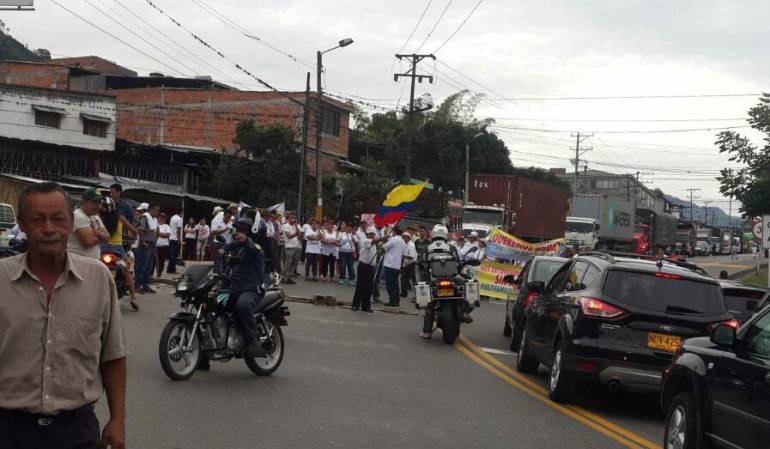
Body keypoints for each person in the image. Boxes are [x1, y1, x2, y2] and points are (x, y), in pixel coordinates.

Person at [0, 182, 127, 449]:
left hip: (76, 430)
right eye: (37, 220)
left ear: (71, 223)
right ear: (22, 224)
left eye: (58, 219)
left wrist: (117, 419)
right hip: (7, 428)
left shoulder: (99, 278)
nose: (49, 229)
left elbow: (112, 355)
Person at [222, 217, 265, 357]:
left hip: (251, 288)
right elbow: (225, 248)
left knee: (243, 305)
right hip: (235, 288)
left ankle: (253, 341)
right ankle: (206, 351)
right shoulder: (236, 246)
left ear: (249, 233)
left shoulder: (255, 248)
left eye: (241, 231)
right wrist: (220, 248)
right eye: (237, 231)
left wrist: (246, 240)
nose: (238, 234)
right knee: (212, 306)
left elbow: (251, 247)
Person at [420, 224, 461, 339]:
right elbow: (458, 262)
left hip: (434, 279)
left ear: (433, 234)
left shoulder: (427, 248)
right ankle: (464, 311)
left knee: (430, 305)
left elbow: (420, 262)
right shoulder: (451, 248)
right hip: (450, 278)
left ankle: (427, 331)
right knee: (462, 290)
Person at [100, 197, 139, 311]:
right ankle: (133, 297)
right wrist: (134, 238)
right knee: (127, 271)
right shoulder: (120, 218)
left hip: (102, 249)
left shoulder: (98, 219)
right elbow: (134, 231)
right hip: (118, 250)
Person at [351, 227, 388, 312]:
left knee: (369, 287)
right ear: (367, 234)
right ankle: (355, 305)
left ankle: (366, 306)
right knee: (360, 286)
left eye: (373, 234)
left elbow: (380, 251)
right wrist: (384, 237)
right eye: (370, 234)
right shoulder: (365, 241)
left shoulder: (375, 244)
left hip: (371, 267)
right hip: (363, 266)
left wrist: (382, 247)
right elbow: (374, 241)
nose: (371, 235)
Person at [67, 187, 110, 259]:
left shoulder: (95, 217)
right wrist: (101, 236)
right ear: (84, 202)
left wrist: (97, 233)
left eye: (99, 203)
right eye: (95, 203)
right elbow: (88, 242)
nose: (98, 206)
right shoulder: (78, 216)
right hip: (78, 262)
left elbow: (107, 238)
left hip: (91, 263)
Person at [134, 203, 159, 294]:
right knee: (141, 266)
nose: (157, 212)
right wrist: (143, 241)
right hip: (145, 245)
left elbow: (155, 231)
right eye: (156, 210)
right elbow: (140, 230)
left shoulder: (154, 219)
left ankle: (145, 285)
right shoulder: (144, 217)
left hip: (151, 245)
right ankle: (137, 286)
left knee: (148, 267)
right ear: (151, 209)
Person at [382, 228, 407, 307]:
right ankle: (396, 300)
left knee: (390, 284)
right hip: (397, 265)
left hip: (390, 264)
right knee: (395, 283)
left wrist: (383, 242)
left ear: (394, 232)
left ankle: (392, 300)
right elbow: (403, 254)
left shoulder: (393, 239)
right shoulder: (403, 242)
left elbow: (384, 247)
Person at [109, 183, 135, 251]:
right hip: (107, 237)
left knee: (124, 259)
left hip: (122, 239)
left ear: (119, 193)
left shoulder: (127, 206)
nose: (110, 194)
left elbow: (133, 221)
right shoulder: (106, 204)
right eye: (110, 192)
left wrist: (131, 234)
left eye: (113, 192)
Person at [282, 214, 302, 284]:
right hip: (289, 246)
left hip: (295, 246)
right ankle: (284, 277)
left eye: (295, 218)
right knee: (288, 263)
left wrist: (296, 225)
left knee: (294, 263)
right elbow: (289, 236)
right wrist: (295, 234)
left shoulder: (295, 226)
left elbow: (299, 234)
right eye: (292, 218)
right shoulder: (286, 226)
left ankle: (289, 277)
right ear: (289, 218)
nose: (294, 219)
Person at [400, 231, 418, 299]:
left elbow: (411, 257)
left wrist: (403, 256)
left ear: (408, 238)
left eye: (404, 237)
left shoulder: (411, 245)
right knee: (403, 279)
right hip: (406, 263)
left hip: (412, 264)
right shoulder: (405, 244)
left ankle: (417, 295)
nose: (403, 239)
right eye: (403, 237)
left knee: (414, 280)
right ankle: (404, 293)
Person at [156, 213, 171, 277]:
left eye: (163, 218)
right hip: (156, 245)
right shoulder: (155, 225)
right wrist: (162, 234)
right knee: (154, 260)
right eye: (161, 217)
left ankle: (159, 273)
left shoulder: (166, 226)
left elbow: (167, 235)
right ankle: (151, 273)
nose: (162, 219)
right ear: (158, 217)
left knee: (161, 260)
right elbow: (154, 234)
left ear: (165, 219)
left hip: (164, 245)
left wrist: (158, 233)